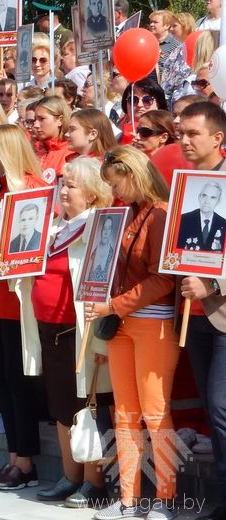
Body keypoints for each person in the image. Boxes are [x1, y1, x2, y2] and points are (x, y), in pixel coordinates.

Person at [88, 146, 180, 520]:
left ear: (134, 175)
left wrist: (113, 305)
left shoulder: (158, 214)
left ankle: (167, 498)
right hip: (125, 321)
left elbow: (164, 279)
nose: (114, 191)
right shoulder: (126, 213)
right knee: (125, 412)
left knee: (155, 411)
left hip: (152, 321)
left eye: (117, 183)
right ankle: (129, 498)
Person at [30, 157, 114, 506]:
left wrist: (99, 340)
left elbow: (101, 284)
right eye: (61, 184)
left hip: (81, 331)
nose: (62, 191)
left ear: (93, 194)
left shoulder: (99, 227)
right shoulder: (52, 227)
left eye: (71, 186)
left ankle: (94, 482)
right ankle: (70, 475)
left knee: (89, 407)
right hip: (49, 328)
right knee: (62, 406)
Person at [0, 124, 46, 490]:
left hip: (14, 297)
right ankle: (13, 456)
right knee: (2, 380)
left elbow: (32, 242)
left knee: (18, 381)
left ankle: (26, 460)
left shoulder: (29, 187)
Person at [174, 101, 226, 520]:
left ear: (217, 138)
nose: (184, 141)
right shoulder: (185, 186)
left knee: (221, 405)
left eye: (193, 134)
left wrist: (212, 284)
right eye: (181, 133)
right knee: (213, 411)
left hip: (223, 312)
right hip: (193, 316)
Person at [176, 181, 226, 251]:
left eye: (213, 197)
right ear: (199, 197)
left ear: (218, 201)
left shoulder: (223, 224)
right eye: (204, 195)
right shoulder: (182, 220)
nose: (207, 201)